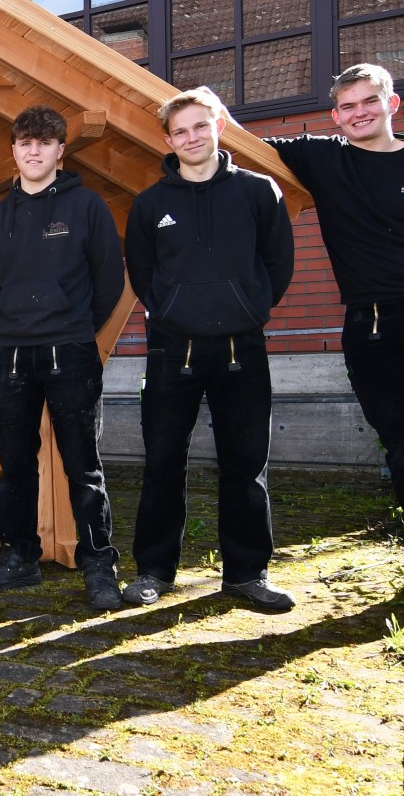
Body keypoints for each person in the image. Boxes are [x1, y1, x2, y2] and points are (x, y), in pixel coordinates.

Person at [263, 63, 404, 597]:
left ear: (392, 104)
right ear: (335, 116)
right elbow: (240, 140)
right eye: (346, 106)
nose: (358, 113)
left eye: (369, 101)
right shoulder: (323, 158)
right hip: (370, 324)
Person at [123, 87, 296, 610]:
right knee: (162, 462)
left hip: (242, 348)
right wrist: (174, 312)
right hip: (172, 351)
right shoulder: (151, 204)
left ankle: (247, 573)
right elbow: (143, 273)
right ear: (169, 141)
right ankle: (154, 570)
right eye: (180, 131)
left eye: (200, 126)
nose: (191, 138)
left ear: (219, 124)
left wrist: (249, 308)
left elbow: (278, 264)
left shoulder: (259, 191)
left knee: (246, 463)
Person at [0, 105, 126, 608]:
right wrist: (18, 325)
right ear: (13, 150)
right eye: (25, 142)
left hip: (71, 352)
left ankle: (99, 566)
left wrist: (74, 325)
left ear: (61, 150)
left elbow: (108, 281)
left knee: (83, 464)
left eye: (44, 142)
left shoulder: (86, 207)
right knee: (15, 465)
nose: (33, 150)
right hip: (13, 356)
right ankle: (19, 559)